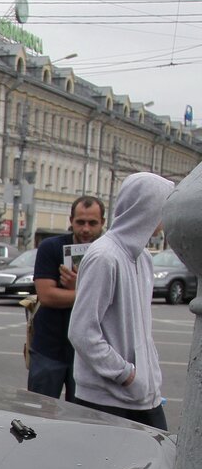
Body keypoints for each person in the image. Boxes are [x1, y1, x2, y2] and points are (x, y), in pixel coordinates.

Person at [68, 172, 176, 430]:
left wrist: (149, 377)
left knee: (159, 464)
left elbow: (140, 329)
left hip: (143, 396)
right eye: (165, 206)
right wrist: (127, 375)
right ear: (147, 207)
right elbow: (82, 331)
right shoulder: (104, 257)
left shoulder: (143, 257)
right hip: (107, 399)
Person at [26, 195, 106, 400]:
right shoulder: (51, 247)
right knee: (39, 412)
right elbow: (47, 295)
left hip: (88, 352)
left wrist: (74, 288)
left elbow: (113, 299)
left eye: (92, 223)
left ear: (103, 223)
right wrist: (86, 293)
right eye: (80, 222)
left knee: (82, 418)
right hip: (49, 347)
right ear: (71, 221)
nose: (86, 229)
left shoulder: (108, 252)